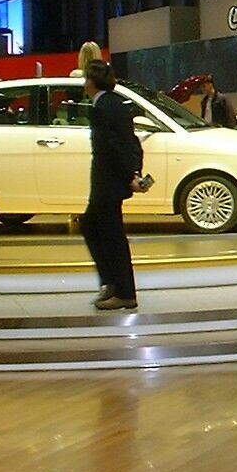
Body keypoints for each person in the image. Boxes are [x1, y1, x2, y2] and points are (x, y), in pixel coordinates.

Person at [81, 60, 144, 312]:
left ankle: (124, 292)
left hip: (107, 182)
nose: (84, 83)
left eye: (86, 78)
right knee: (91, 226)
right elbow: (132, 142)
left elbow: (114, 147)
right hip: (108, 181)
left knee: (113, 237)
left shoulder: (103, 108)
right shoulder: (113, 104)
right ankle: (111, 282)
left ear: (93, 81)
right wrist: (134, 171)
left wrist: (129, 174)